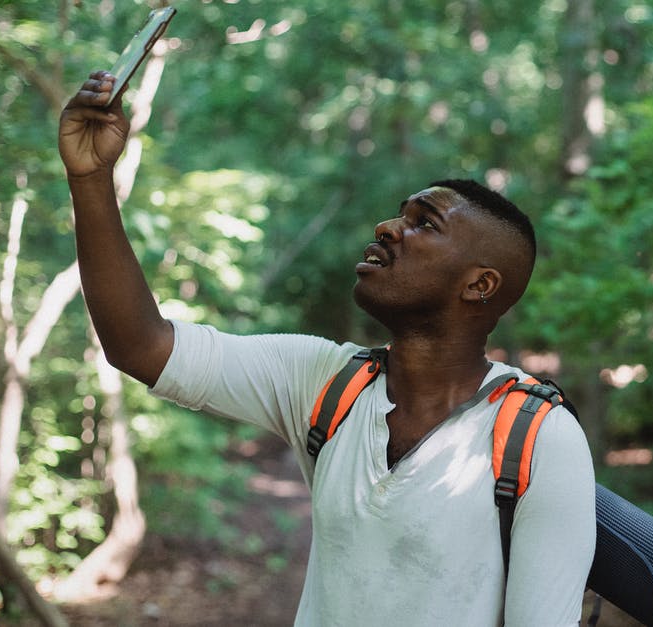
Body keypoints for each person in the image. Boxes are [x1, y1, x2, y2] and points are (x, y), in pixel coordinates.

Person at [58, 71, 596, 626]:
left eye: (424, 224)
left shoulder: (538, 438)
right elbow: (140, 346)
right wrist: (91, 178)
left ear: (479, 285)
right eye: (400, 214)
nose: (388, 227)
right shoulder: (327, 382)